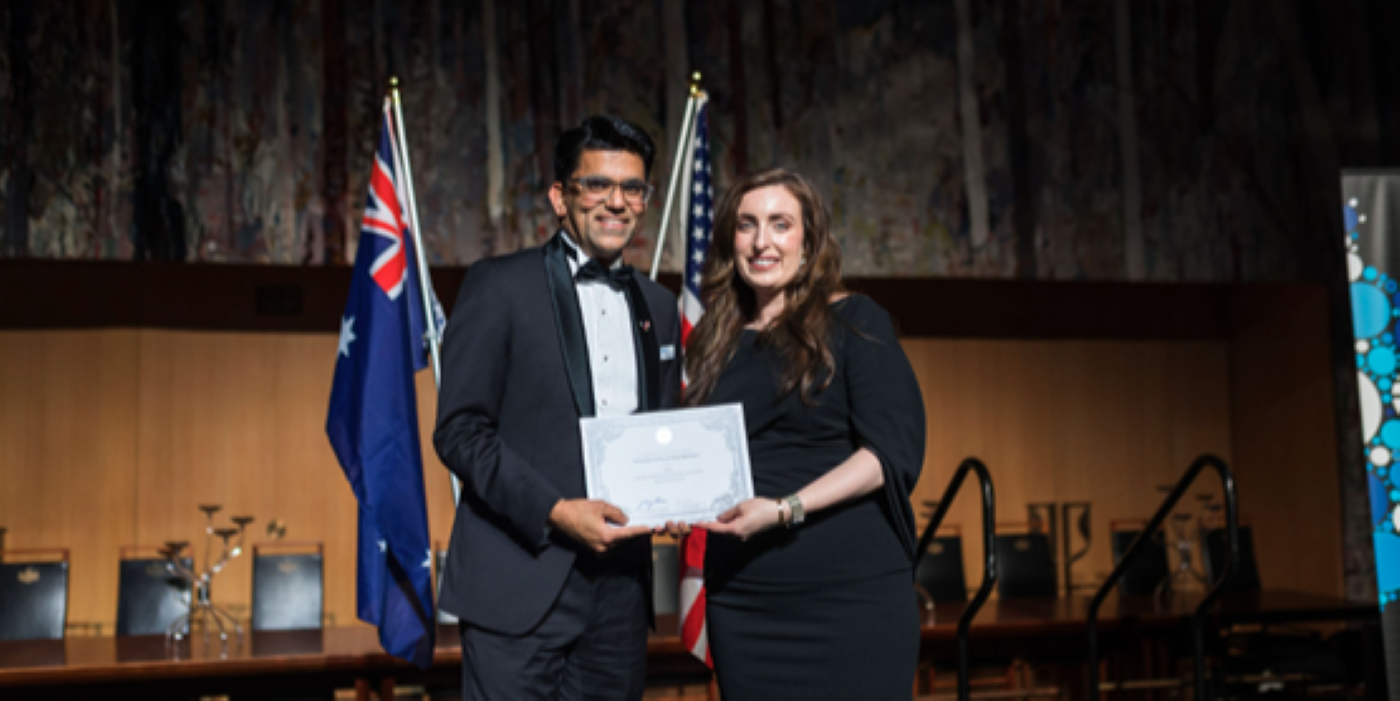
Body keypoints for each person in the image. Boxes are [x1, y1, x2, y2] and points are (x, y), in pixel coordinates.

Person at [434, 115, 682, 700]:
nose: (615, 202)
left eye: (632, 188)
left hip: (620, 595)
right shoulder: (498, 285)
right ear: (560, 197)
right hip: (518, 582)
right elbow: (461, 431)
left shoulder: (660, 305)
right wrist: (554, 510)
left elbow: (661, 432)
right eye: (597, 184)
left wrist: (675, 495)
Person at [686, 168, 927, 699]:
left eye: (780, 224)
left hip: (851, 598)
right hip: (745, 601)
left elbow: (888, 455)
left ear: (810, 239)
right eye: (747, 225)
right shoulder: (712, 343)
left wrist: (785, 508)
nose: (762, 241)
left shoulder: (857, 322)